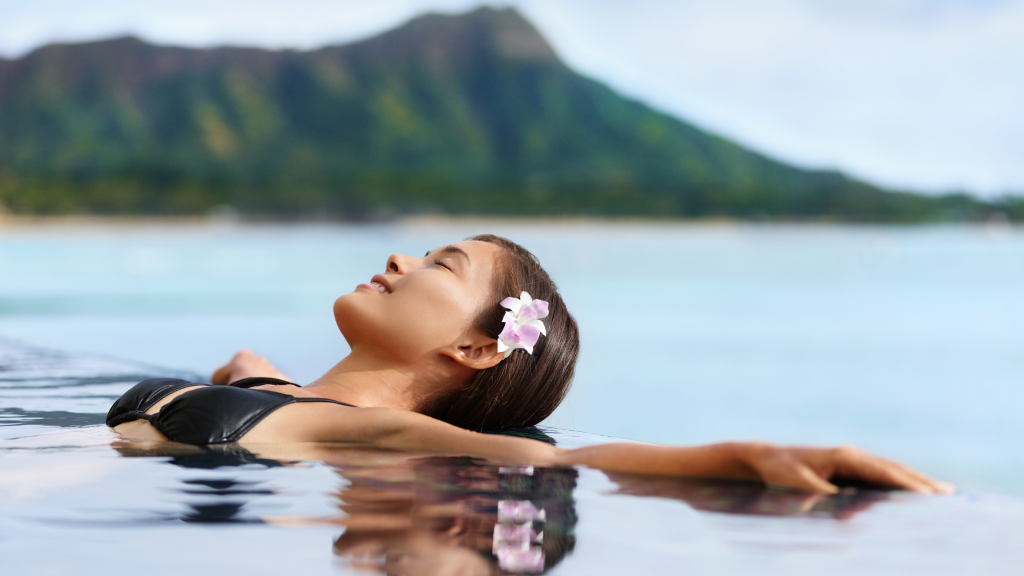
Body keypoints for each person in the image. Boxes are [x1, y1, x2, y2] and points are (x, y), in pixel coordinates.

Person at [108, 234, 953, 495]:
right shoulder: (274, 391)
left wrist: (749, 457)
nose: (400, 260)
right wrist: (246, 373)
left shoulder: (372, 429)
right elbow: (254, 374)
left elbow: (562, 459)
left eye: (439, 265)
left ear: (475, 348)